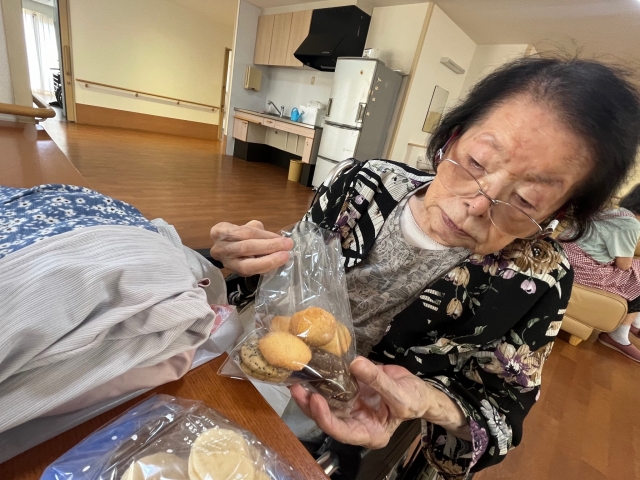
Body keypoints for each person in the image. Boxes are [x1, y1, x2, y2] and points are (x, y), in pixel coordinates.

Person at [211, 57, 640, 479]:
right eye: (476, 163)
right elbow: (287, 275)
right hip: (247, 373)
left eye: (526, 200)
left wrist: (429, 402)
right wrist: (249, 258)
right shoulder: (363, 184)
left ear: (557, 213)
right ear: (451, 140)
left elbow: (502, 417)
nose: (476, 205)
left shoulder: (540, 280)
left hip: (349, 432)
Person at [562, 184, 640, 361]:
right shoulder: (631, 224)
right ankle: (619, 334)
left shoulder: (612, 212)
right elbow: (623, 265)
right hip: (581, 267)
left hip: (565, 256)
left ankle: (634, 322)